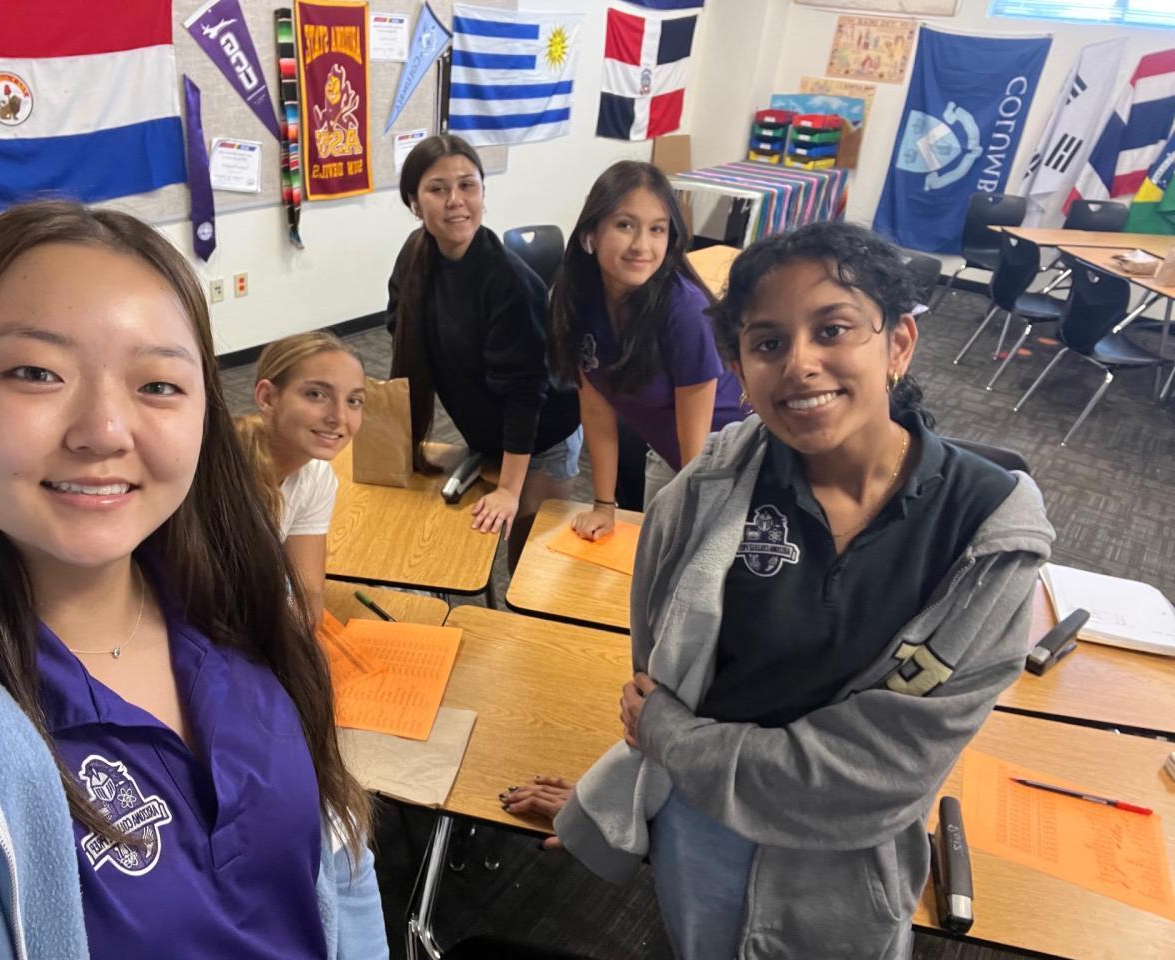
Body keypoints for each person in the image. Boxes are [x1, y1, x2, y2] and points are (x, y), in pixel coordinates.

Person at [503, 222, 1054, 959]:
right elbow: (659, 672)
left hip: (844, 864)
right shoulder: (704, 495)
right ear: (738, 366)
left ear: (897, 343)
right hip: (704, 828)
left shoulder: (986, 535)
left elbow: (875, 777)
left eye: (833, 329)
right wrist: (639, 775)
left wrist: (673, 739)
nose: (800, 363)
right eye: (767, 343)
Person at [0, 201, 387, 959]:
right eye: (35, 373)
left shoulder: (242, 605)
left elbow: (340, 857)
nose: (103, 431)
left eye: (157, 385)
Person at [387, 134, 581, 568]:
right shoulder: (414, 257)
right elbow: (399, 331)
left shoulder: (509, 281)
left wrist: (510, 490)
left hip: (542, 435)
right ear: (414, 203)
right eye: (438, 189)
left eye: (467, 185)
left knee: (529, 569)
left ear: (483, 194)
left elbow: (525, 394)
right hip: (486, 429)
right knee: (465, 544)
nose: (455, 200)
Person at [547, 160, 745, 539]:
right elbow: (596, 408)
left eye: (657, 229)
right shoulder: (577, 299)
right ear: (591, 234)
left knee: (685, 557)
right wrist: (604, 505)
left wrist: (689, 523)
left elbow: (696, 445)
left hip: (727, 468)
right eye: (625, 225)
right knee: (650, 554)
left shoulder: (684, 311)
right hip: (670, 453)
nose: (642, 246)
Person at [236, 332, 365, 624]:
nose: (339, 417)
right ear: (267, 397)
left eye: (354, 401)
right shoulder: (220, 474)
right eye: (316, 395)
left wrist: (302, 635)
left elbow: (308, 593)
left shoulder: (317, 476)